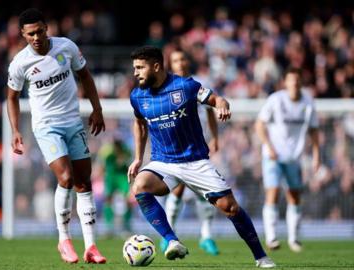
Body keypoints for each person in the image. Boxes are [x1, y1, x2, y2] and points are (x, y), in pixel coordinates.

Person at [127, 46, 275, 268]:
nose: (136, 73)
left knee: (231, 208)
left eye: (140, 67)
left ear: (156, 66)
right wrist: (138, 158)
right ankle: (171, 240)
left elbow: (217, 100)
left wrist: (222, 105)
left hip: (195, 162)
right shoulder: (138, 96)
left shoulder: (185, 86)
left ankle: (261, 257)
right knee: (139, 185)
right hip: (163, 162)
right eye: (134, 68)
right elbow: (139, 124)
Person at [6, 8, 106, 264]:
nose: (36, 37)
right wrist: (16, 130)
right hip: (47, 127)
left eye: (40, 31)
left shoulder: (66, 47)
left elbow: (85, 76)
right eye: (30, 34)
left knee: (84, 182)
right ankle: (64, 239)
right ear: (23, 34)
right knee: (66, 177)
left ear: (46, 28)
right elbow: (12, 98)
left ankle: (91, 247)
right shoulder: (20, 63)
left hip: (73, 122)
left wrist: (97, 109)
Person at [160, 49, 220, 256]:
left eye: (183, 58)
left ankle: (206, 236)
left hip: (196, 147)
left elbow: (210, 111)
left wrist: (215, 138)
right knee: (176, 190)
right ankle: (169, 235)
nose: (180, 62)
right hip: (175, 149)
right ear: (171, 64)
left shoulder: (197, 85)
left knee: (206, 191)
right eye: (176, 59)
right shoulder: (166, 86)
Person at [255, 67, 320, 253]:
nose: (295, 83)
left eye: (298, 80)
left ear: (301, 82)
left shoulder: (308, 102)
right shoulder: (276, 99)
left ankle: (294, 239)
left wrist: (317, 155)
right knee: (273, 192)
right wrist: (269, 146)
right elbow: (260, 124)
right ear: (286, 82)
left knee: (294, 196)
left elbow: (314, 130)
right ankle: (272, 237)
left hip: (294, 157)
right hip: (273, 155)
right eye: (291, 80)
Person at [98, 138, 133, 236]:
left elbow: (127, 162)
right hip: (111, 176)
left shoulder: (126, 151)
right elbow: (103, 164)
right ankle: (109, 227)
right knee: (108, 200)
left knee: (128, 200)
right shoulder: (108, 152)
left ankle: (126, 227)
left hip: (122, 176)